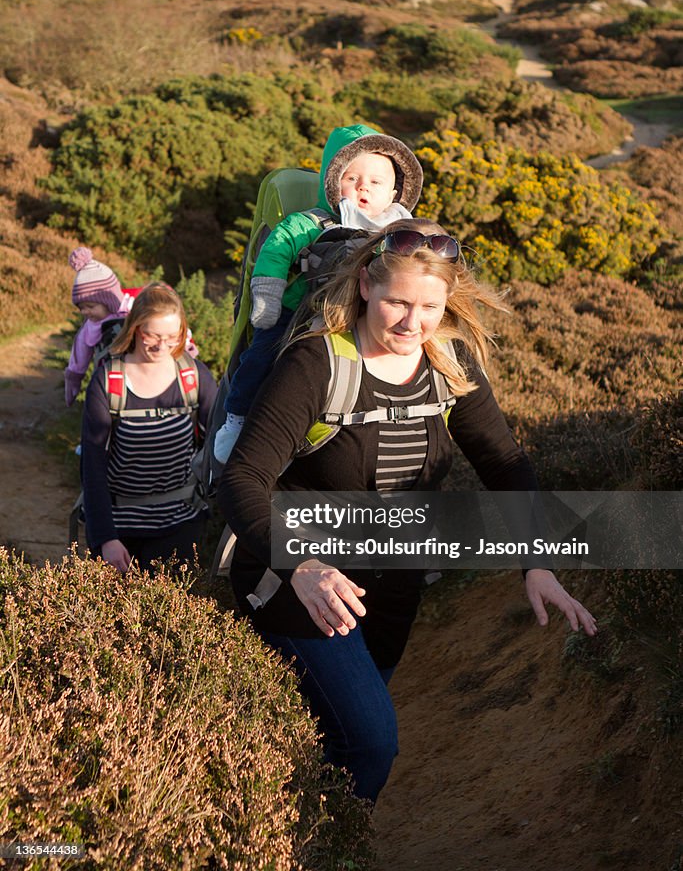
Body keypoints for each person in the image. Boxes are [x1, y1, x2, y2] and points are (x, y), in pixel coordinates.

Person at [217, 219, 597, 803]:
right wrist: (304, 565)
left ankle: (306, 831)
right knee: (372, 742)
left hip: (394, 588)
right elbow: (243, 476)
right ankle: (324, 846)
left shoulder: (448, 362)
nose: (412, 323)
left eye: (429, 307)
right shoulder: (316, 364)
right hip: (300, 581)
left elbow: (506, 465)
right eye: (397, 301)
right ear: (367, 285)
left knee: (331, 739)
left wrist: (536, 564)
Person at [213, 123, 424, 463]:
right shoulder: (313, 221)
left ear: (394, 192)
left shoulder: (400, 230)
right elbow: (277, 249)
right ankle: (237, 418)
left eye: (375, 182)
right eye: (351, 179)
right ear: (331, 179)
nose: (362, 189)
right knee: (262, 354)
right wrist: (268, 298)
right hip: (300, 310)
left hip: (367, 319)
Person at [81, 282, 217, 574]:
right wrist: (106, 539)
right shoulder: (108, 380)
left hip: (181, 523)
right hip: (119, 526)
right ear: (134, 328)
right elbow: (91, 466)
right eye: (152, 335)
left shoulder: (194, 377)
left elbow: (220, 444)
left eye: (172, 337)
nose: (162, 346)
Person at [64, 246, 134, 406]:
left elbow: (163, 325)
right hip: (111, 383)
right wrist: (73, 382)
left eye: (90, 306)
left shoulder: (133, 309)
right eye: (81, 307)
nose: (85, 312)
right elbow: (78, 357)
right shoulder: (90, 327)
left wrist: (185, 345)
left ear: (107, 301)